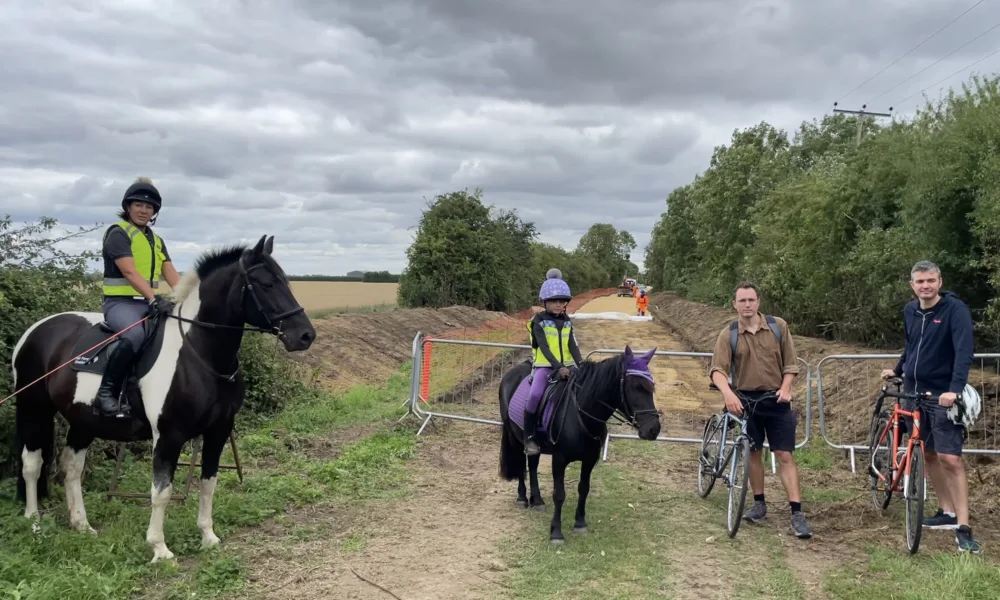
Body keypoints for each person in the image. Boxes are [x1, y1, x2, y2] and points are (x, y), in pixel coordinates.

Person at [879, 260, 979, 553]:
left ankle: (963, 526)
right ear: (912, 285)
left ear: (940, 282)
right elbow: (911, 345)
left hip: (942, 394)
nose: (926, 286)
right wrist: (898, 369)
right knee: (929, 453)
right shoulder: (911, 311)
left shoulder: (954, 311)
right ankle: (946, 512)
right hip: (912, 392)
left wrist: (955, 390)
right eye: (920, 282)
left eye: (931, 281)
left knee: (951, 458)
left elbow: (964, 351)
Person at [708, 281, 812, 539]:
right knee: (753, 453)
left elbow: (791, 365)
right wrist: (728, 393)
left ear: (758, 302)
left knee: (784, 455)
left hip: (776, 400)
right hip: (745, 402)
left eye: (751, 300)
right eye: (741, 301)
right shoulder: (728, 334)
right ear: (734, 304)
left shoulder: (779, 327)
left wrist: (786, 388)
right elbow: (717, 370)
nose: (746, 305)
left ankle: (797, 513)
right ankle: (759, 503)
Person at [96, 177, 181, 418]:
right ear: (127, 207)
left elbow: (171, 274)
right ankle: (106, 394)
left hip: (147, 303)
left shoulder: (156, 240)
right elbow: (129, 271)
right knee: (135, 335)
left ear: (154, 212)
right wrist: (154, 298)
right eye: (138, 205)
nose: (144, 210)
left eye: (149, 207)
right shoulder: (118, 234)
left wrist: (192, 298)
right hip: (120, 304)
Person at [524, 268, 584, 455]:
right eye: (554, 301)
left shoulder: (567, 321)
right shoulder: (538, 321)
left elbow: (572, 346)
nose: (559, 305)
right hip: (545, 367)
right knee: (534, 396)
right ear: (545, 302)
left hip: (568, 367)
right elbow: (543, 347)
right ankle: (529, 437)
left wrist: (581, 365)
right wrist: (558, 368)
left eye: (562, 301)